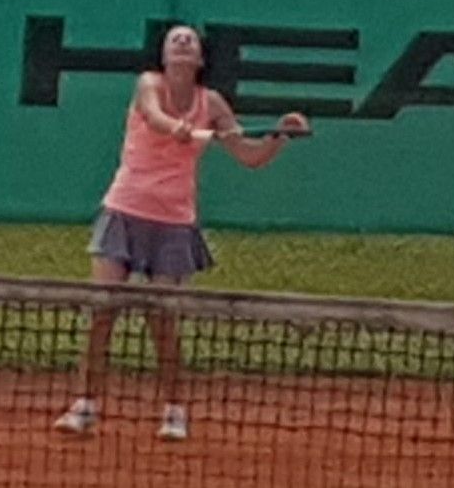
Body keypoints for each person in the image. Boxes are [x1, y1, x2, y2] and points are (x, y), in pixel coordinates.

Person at [54, 24, 309, 440]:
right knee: (102, 311)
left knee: (163, 320)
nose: (183, 42)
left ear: (200, 58)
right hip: (124, 211)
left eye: (190, 39)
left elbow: (249, 155)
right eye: (175, 39)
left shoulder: (212, 103)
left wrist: (279, 135)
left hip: (174, 222)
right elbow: (154, 116)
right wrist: (175, 127)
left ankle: (174, 411)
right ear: (165, 55)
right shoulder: (148, 84)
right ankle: (85, 405)